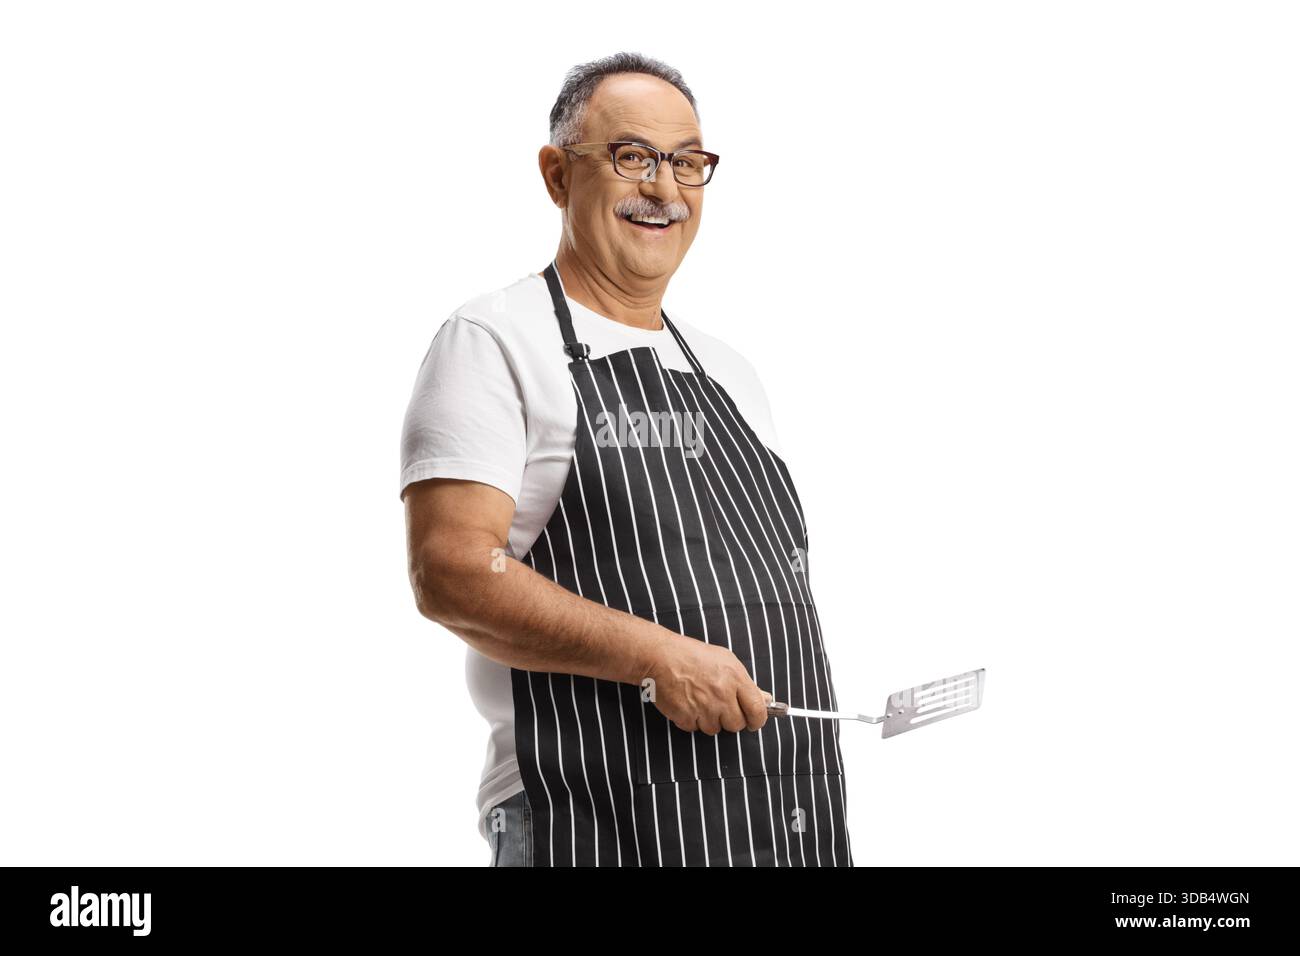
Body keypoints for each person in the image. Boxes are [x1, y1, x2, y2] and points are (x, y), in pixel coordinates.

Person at [400, 51, 852, 866]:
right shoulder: (496, 340)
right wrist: (658, 657)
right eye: (632, 157)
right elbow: (453, 571)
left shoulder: (728, 372)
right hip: (595, 820)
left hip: (782, 817)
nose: (665, 190)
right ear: (556, 175)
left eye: (687, 163)